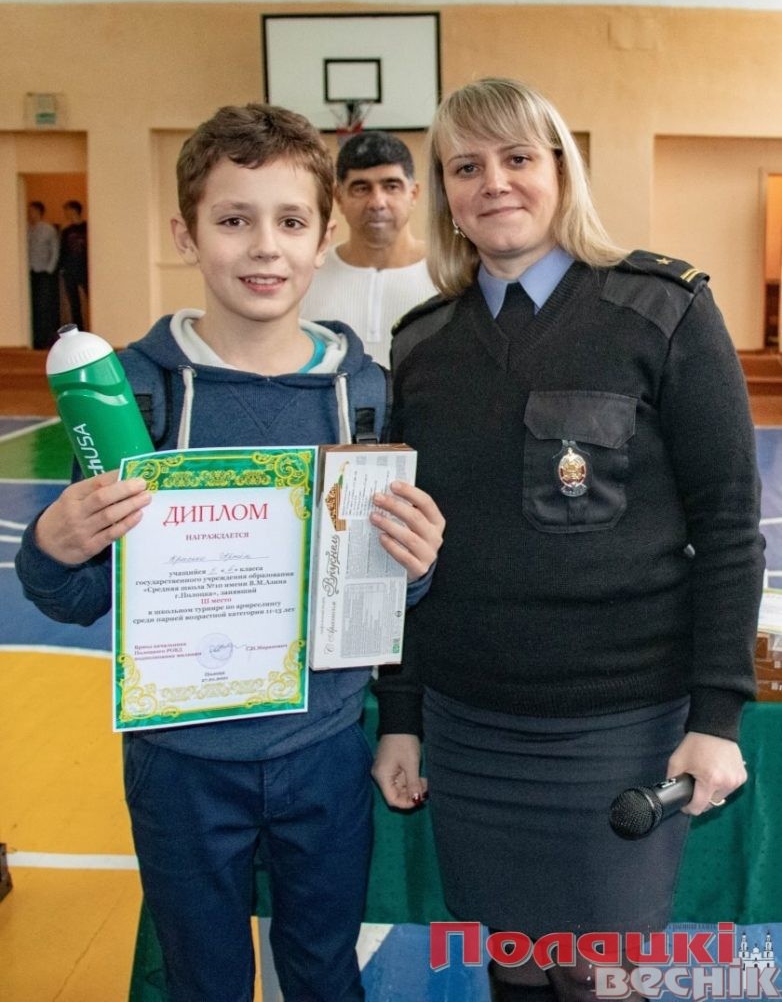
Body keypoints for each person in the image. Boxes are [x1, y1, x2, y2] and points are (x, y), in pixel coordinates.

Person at [15, 103, 445, 1002]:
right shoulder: (131, 393)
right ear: (187, 235)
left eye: (289, 222)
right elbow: (77, 595)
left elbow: (387, 594)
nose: (264, 248)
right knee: (203, 978)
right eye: (234, 220)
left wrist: (418, 563)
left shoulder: (366, 392)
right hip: (179, 763)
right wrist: (53, 548)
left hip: (323, 750)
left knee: (323, 969)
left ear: (323, 237)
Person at [371, 77, 764, 1002]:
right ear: (444, 194)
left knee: (601, 980)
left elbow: (728, 528)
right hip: (471, 729)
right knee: (512, 970)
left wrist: (716, 718)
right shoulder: (421, 345)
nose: (494, 183)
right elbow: (401, 553)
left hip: (622, 726)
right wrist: (403, 715)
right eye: (466, 167)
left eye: (518, 158)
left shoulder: (663, 310)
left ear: (561, 171)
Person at [299, 130, 437, 366]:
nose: (377, 203)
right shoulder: (307, 275)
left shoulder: (451, 274)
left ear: (413, 194)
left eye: (391, 186)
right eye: (361, 188)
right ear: (339, 197)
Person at [27, 200, 60, 348]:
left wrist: (49, 269)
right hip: (31, 272)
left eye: (32, 211)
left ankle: (47, 338)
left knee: (45, 305)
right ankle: (36, 338)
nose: (30, 214)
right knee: (34, 305)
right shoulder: (27, 228)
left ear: (39, 212)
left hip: (45, 272)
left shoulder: (48, 229)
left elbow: (55, 249)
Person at [59, 199, 89, 327]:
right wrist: (62, 267)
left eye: (68, 210)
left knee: (91, 298)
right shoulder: (66, 231)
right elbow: (63, 250)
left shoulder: (87, 227)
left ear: (74, 211)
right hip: (70, 269)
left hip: (85, 268)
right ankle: (79, 329)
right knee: (73, 302)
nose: (66, 214)